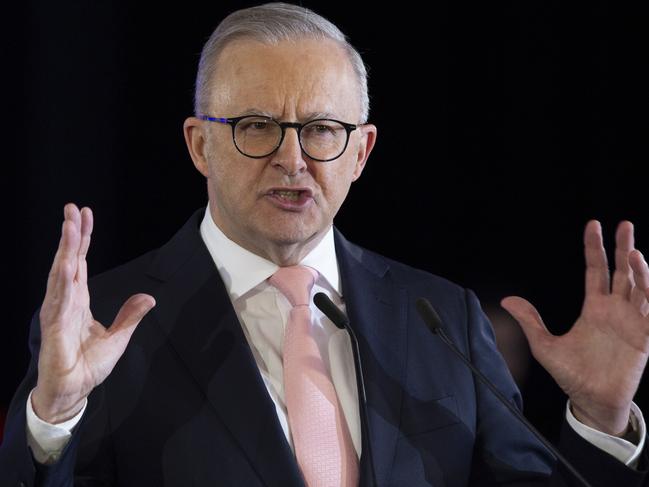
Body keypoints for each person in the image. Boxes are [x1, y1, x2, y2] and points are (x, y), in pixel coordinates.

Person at [1, 3, 648, 486]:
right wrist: (53, 417)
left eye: (321, 129)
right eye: (256, 126)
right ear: (200, 144)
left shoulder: (440, 319)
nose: (292, 159)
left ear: (360, 150)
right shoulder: (106, 323)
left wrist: (597, 420)